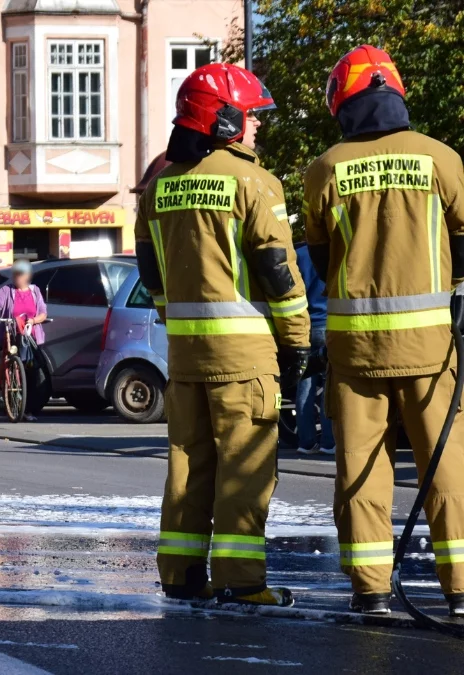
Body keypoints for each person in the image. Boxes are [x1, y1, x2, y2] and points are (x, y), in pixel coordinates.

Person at [136, 63, 311, 607]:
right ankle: (241, 582)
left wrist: (176, 321)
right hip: (245, 359)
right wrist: (299, 341)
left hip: (185, 358)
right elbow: (278, 271)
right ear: (225, 119)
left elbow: (150, 271)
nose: (258, 127)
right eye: (252, 117)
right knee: (244, 469)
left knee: (187, 468)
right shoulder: (254, 181)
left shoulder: (159, 185)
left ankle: (183, 576)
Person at [304, 45, 464, 616]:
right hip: (431, 346)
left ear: (342, 102)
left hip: (357, 351)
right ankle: (460, 586)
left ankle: (370, 588)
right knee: (444, 464)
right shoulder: (441, 158)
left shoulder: (324, 169)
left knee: (361, 467)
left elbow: (323, 262)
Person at [0, 261, 48, 416]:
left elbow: (43, 313)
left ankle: (28, 409)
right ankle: (6, 396)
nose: (17, 278)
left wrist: (33, 320)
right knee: (10, 365)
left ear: (27, 276)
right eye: (15, 275)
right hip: (12, 335)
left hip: (31, 338)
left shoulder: (35, 291)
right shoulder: (7, 291)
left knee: (31, 374)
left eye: (20, 274)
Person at [294, 243, 334, 456]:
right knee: (329, 387)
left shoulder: (298, 255)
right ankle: (329, 442)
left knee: (305, 386)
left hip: (305, 327)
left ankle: (306, 442)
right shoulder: (334, 249)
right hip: (330, 324)